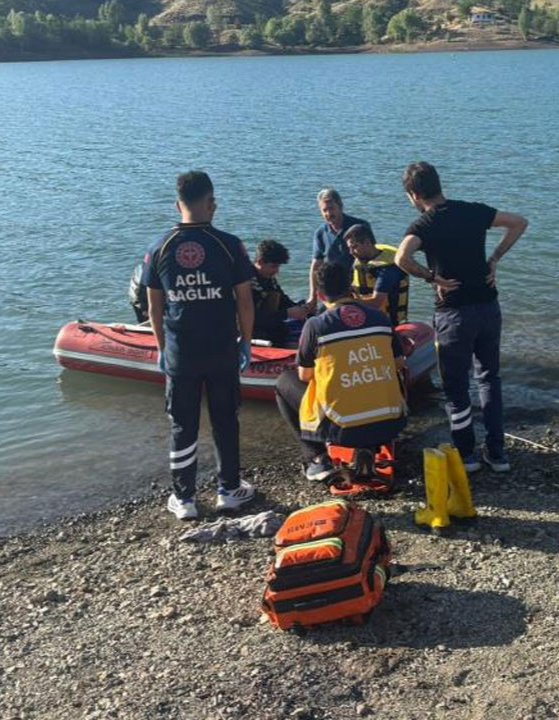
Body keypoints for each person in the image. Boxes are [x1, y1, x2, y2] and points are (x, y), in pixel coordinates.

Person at [395, 162, 528, 473]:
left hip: (453, 314)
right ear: (439, 185)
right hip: (487, 308)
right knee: (489, 379)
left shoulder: (424, 225)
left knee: (456, 388)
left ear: (414, 194)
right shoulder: (473, 211)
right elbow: (519, 222)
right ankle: (497, 453)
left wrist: (432, 278)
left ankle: (466, 454)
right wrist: (494, 259)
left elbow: (402, 258)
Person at [145, 171, 259, 520]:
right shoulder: (229, 244)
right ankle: (228, 489)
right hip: (222, 349)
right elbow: (244, 301)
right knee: (225, 419)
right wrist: (247, 341)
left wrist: (163, 348)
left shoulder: (159, 247)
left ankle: (185, 498)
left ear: (177, 205)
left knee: (183, 424)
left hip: (182, 354)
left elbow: (155, 306)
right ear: (212, 204)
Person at [274, 262, 407, 481]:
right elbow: (399, 363)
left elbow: (304, 376)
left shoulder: (316, 325)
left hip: (343, 428)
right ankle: (371, 446)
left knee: (284, 382)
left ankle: (316, 458)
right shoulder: (380, 318)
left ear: (319, 294)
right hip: (391, 424)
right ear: (351, 288)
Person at [309, 188, 369, 306]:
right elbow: (316, 266)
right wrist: (313, 297)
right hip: (332, 291)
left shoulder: (359, 226)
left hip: (357, 287)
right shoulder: (321, 233)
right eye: (324, 210)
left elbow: (372, 256)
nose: (328, 214)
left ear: (340, 206)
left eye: (331, 208)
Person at [345, 223, 409, 327]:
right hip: (365, 319)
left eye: (354, 247)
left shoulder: (387, 269)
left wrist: (346, 302)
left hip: (388, 324)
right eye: (349, 248)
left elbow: (376, 303)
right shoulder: (361, 260)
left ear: (367, 243)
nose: (351, 252)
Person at [251, 240, 311, 345]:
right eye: (273, 266)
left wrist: (302, 308)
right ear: (260, 261)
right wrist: (286, 313)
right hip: (250, 329)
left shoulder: (269, 279)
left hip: (270, 323)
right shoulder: (245, 283)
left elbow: (283, 300)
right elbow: (251, 317)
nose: (277, 271)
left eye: (278, 267)